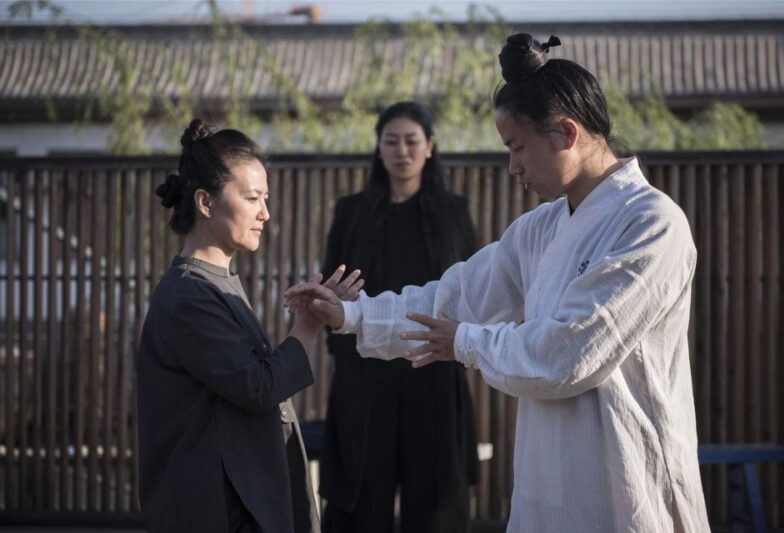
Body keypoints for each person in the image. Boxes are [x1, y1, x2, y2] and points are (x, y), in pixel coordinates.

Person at [285, 35, 711, 532]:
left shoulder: (650, 222)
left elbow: (568, 353)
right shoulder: (540, 229)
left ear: (566, 132)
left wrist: (466, 342)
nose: (513, 167)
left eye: (518, 147)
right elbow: (453, 297)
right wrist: (351, 313)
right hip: (548, 478)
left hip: (627, 472)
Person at [137, 119, 361, 533]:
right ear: (205, 203)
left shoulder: (212, 283)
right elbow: (259, 387)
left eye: (265, 199)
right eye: (252, 198)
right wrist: (308, 324)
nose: (265, 213)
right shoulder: (189, 296)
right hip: (216, 508)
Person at [318, 101, 479, 533]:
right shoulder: (351, 211)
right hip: (364, 374)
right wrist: (342, 346)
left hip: (435, 370)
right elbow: (333, 287)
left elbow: (473, 290)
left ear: (430, 146)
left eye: (411, 141)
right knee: (360, 499)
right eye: (391, 141)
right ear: (379, 148)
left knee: (435, 502)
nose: (402, 151)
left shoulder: (453, 212)